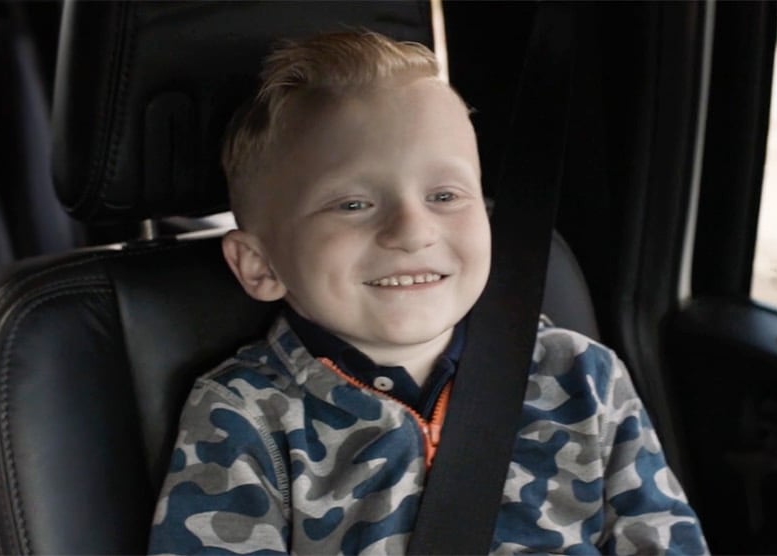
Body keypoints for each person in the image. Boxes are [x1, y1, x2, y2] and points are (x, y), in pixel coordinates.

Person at [148, 30, 707, 555]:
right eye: (352, 204)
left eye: (444, 195)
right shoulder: (244, 416)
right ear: (260, 265)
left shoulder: (583, 379)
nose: (413, 232)